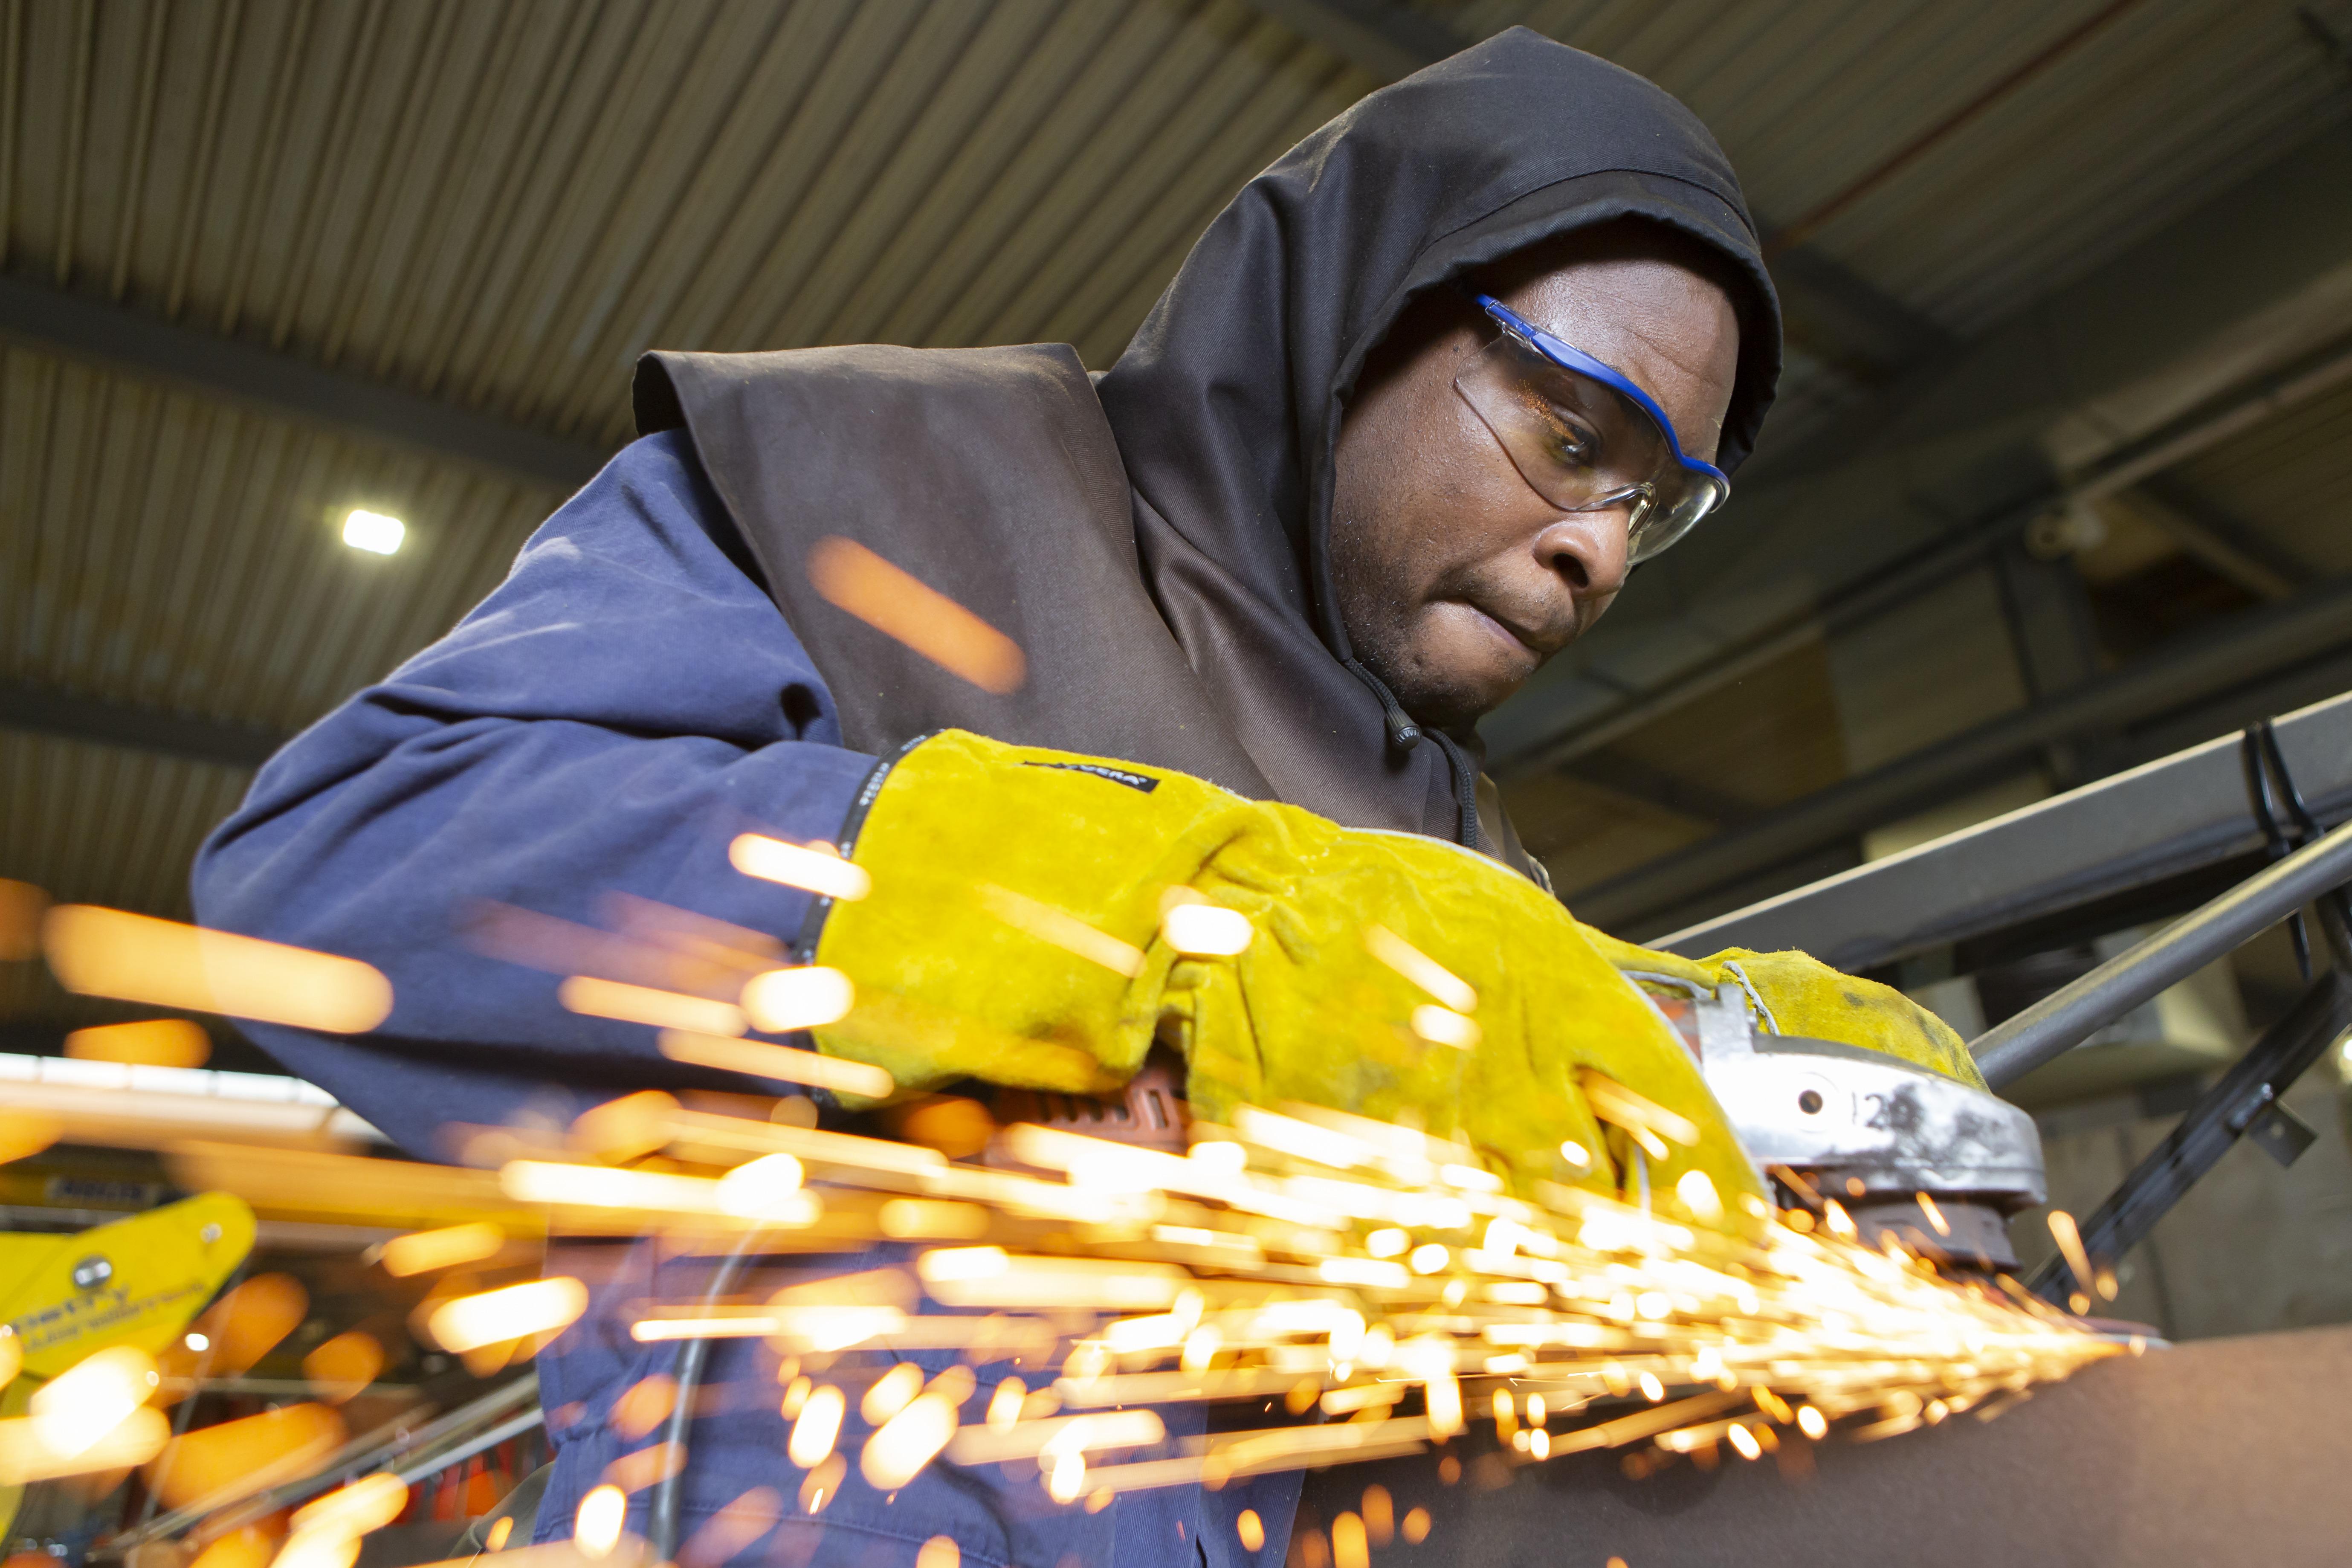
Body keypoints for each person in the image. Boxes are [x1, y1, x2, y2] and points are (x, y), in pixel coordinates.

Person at [194, 29, 1976, 1568]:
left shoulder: (1448, 843)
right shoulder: (884, 486)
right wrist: (1138, 936)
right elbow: (352, 849)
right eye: (1570, 437)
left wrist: (1701, 1054)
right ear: (1357, 319)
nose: (1594, 549)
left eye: (1652, 505)